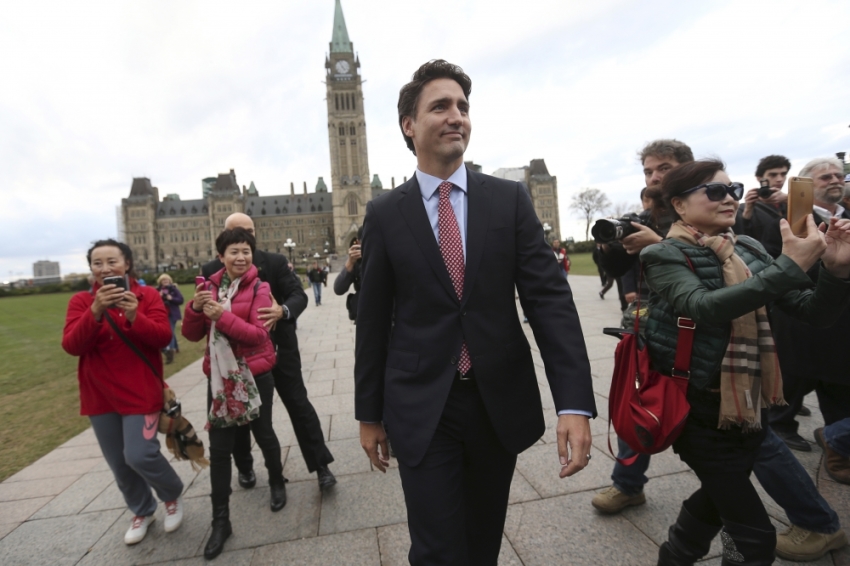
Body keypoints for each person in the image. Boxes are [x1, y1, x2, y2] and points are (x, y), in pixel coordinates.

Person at [355, 59, 595, 565]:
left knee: (482, 541)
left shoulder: (508, 200)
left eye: (463, 107)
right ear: (409, 125)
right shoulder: (383, 213)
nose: (456, 116)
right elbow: (373, 323)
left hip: (496, 403)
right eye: (440, 106)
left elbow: (550, 302)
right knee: (438, 549)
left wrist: (574, 403)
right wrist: (368, 414)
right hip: (422, 406)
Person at [595, 149, 849, 562]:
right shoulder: (663, 254)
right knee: (755, 536)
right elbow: (704, 306)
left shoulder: (746, 246)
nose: (729, 197)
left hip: (750, 403)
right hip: (698, 410)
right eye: (714, 190)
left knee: (715, 501)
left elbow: (810, 312)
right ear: (679, 204)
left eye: (731, 188)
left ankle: (675, 556)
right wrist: (789, 264)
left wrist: (837, 272)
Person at [62, 239, 184, 545]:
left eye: (112, 262)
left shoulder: (147, 295)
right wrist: (95, 312)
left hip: (140, 392)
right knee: (119, 462)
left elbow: (162, 337)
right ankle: (142, 509)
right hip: (100, 397)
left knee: (140, 455)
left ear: (126, 264)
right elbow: (72, 346)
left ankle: (171, 494)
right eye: (97, 263)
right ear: (91, 269)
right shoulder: (81, 302)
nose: (105, 269)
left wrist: (134, 317)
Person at [202, 213, 336, 493]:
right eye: (238, 232)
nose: (245, 237)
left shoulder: (273, 262)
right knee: (240, 417)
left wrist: (282, 311)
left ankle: (321, 465)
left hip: (280, 349)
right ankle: (245, 467)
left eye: (250, 231)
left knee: (299, 407)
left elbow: (297, 295)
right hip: (238, 358)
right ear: (225, 236)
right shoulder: (212, 269)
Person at [183, 227, 285, 560]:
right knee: (220, 450)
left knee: (263, 433)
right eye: (234, 252)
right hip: (221, 381)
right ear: (221, 256)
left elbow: (257, 335)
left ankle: (276, 480)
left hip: (255, 374)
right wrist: (196, 310)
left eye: (246, 251)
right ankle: (220, 520)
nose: (240, 257)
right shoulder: (208, 287)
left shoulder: (261, 287)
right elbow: (191, 334)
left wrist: (222, 317)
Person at [769, 157, 850, 453]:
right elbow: (774, 264)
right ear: (805, 186)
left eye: (838, 175)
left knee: (839, 383)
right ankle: (780, 424)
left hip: (843, 316)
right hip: (801, 314)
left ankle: (837, 444)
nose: (834, 180)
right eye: (825, 177)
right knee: (794, 376)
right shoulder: (785, 218)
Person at [733, 155, 791, 259]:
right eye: (773, 175)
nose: (779, 179)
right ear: (760, 178)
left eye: (783, 174)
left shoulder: (789, 202)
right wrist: (747, 213)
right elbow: (740, 239)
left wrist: (789, 199)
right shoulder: (744, 208)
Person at [334, 230, 363, 322]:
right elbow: (339, 289)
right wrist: (350, 263)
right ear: (358, 242)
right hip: (364, 319)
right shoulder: (357, 262)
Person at [156, 273, 184, 364]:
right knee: (170, 331)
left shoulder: (174, 289)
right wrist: (158, 297)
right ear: (160, 282)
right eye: (163, 281)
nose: (165, 282)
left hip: (172, 314)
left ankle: (169, 350)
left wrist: (171, 298)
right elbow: (153, 302)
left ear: (169, 281)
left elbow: (180, 300)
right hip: (162, 313)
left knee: (169, 331)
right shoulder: (157, 290)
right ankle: (175, 347)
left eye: (167, 280)